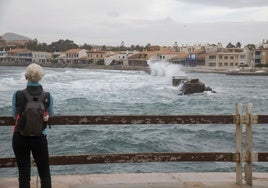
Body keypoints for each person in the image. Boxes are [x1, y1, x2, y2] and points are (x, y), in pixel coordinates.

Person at [12, 63, 53, 188]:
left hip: (20, 136)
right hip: (39, 137)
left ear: (26, 77)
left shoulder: (17, 94)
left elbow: (14, 115)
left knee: (24, 174)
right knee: (44, 173)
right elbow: (50, 113)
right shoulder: (47, 96)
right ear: (40, 77)